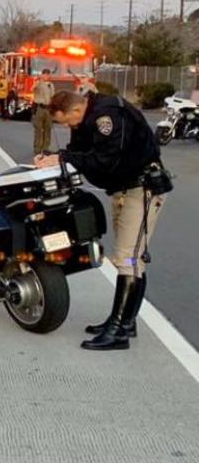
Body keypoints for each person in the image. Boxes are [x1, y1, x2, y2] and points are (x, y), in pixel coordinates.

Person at [36, 90, 168, 351]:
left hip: (140, 191)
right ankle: (124, 322)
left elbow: (106, 160)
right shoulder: (89, 117)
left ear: (76, 110)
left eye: (67, 122)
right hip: (124, 191)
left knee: (129, 258)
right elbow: (78, 151)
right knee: (132, 258)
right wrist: (55, 157)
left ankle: (119, 331)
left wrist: (64, 158)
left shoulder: (107, 117)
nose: (68, 126)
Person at [31, 69, 55, 155]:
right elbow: (32, 89)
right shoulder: (38, 83)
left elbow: (52, 96)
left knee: (48, 129)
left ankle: (45, 148)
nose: (46, 76)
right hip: (39, 108)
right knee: (38, 129)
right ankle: (37, 149)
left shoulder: (51, 85)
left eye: (48, 75)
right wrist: (38, 82)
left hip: (48, 109)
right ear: (42, 75)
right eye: (45, 74)